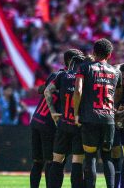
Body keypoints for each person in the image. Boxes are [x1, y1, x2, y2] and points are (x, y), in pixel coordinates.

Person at [30, 48, 83, 188]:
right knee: (53, 161)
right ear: (73, 61)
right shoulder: (72, 78)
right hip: (49, 122)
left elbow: (41, 89)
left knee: (37, 162)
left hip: (36, 119)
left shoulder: (56, 75)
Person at [73, 38, 122, 188]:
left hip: (90, 117)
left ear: (93, 53)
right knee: (107, 157)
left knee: (90, 157)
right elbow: (118, 93)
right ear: (110, 55)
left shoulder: (84, 67)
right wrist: (113, 107)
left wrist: (76, 113)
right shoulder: (116, 71)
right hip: (108, 119)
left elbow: (78, 90)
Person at [44, 55, 86, 188]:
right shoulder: (84, 77)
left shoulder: (62, 76)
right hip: (78, 125)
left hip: (63, 123)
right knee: (77, 161)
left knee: (57, 160)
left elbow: (47, 91)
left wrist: (52, 112)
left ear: (71, 64)